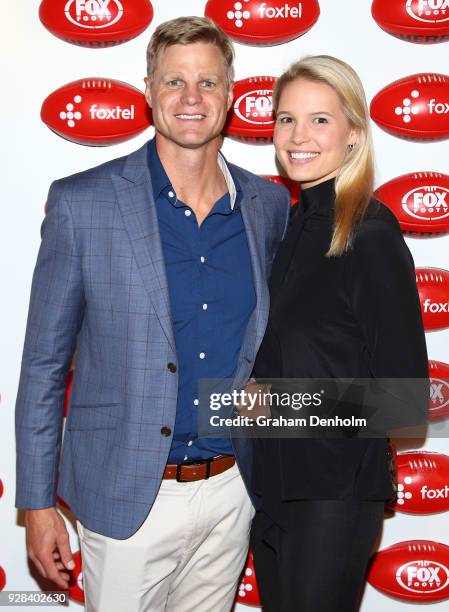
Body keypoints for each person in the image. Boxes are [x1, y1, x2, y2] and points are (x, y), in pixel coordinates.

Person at [15, 16, 290, 612]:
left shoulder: (268, 206)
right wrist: (36, 504)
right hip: (128, 497)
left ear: (232, 96)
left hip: (232, 489)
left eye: (208, 83)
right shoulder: (81, 203)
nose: (191, 99)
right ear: (147, 91)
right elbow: (44, 364)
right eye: (174, 82)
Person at [249, 56, 428, 612]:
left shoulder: (369, 233)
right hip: (270, 488)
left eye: (320, 120)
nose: (299, 137)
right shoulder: (287, 229)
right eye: (286, 119)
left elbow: (404, 403)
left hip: (334, 493)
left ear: (353, 134)